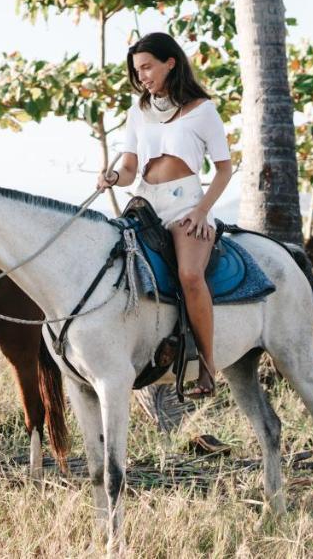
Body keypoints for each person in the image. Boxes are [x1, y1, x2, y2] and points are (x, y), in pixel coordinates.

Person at [97, 32, 234, 396]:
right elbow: (129, 167)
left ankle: (206, 368)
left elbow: (224, 169)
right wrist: (113, 177)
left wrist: (203, 212)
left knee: (190, 275)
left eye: (146, 67)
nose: (141, 76)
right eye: (136, 70)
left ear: (169, 62)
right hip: (145, 202)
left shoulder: (203, 110)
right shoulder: (138, 111)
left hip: (186, 205)